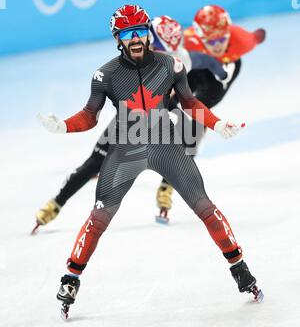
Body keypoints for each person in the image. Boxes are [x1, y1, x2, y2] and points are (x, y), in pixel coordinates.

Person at [38, 4, 262, 317]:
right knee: (99, 217)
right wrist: (63, 126)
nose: (136, 39)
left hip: (165, 145)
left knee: (206, 208)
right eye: (128, 34)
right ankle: (70, 278)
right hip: (125, 148)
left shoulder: (172, 65)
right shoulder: (105, 74)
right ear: (118, 37)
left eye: (140, 32)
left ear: (148, 34)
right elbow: (90, 116)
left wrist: (217, 124)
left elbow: (190, 102)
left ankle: (241, 270)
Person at [33, 15, 228, 229]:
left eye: (171, 52)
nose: (166, 58)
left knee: (188, 130)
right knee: (94, 164)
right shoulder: (131, 63)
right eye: (161, 50)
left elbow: (202, 60)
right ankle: (57, 202)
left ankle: (166, 187)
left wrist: (220, 71)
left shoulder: (179, 59)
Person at [156, 5, 266, 220]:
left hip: (220, 76)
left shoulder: (242, 40)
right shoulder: (188, 41)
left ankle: (166, 186)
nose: (217, 45)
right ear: (198, 35)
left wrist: (259, 35)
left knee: (195, 126)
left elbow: (258, 36)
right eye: (211, 41)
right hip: (198, 66)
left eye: (221, 40)